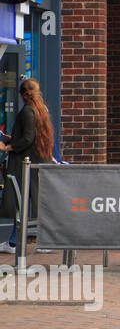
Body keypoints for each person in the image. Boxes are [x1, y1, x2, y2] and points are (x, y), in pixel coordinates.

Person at [0, 79, 54, 253]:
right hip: (39, 162)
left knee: (18, 202)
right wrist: (12, 138)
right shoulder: (42, 110)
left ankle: (15, 243)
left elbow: (27, 139)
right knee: (36, 202)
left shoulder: (27, 112)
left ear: (23, 95)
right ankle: (29, 242)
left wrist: (8, 147)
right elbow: (33, 137)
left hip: (25, 163)